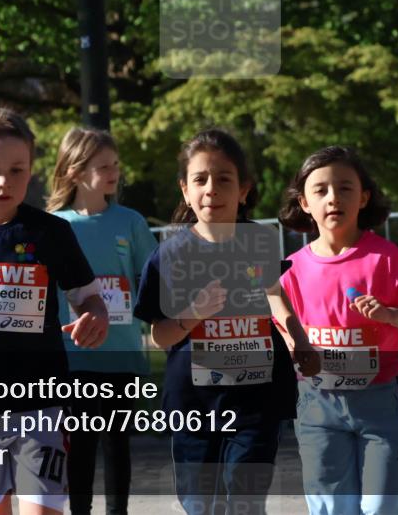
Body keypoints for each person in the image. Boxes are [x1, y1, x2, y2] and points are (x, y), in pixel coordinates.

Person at [0, 107, 109, 515]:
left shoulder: (52, 232)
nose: (3, 182)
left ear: (30, 170)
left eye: (16, 170)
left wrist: (95, 317)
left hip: (40, 406)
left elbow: (90, 299)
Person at [133, 128, 319, 515]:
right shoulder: (170, 255)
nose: (211, 189)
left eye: (223, 179)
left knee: (245, 496)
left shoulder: (259, 241)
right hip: (193, 403)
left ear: (243, 190)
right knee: (201, 503)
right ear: (185, 190)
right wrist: (194, 313)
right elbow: (160, 335)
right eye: (200, 179)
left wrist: (299, 338)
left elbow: (273, 294)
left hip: (256, 396)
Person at [278, 146, 398, 515]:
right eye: (321, 190)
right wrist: (294, 346)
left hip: (378, 401)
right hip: (317, 404)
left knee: (380, 506)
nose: (333, 198)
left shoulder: (385, 259)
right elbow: (282, 326)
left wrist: (389, 315)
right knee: (332, 507)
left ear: (363, 197)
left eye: (345, 188)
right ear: (304, 203)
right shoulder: (292, 269)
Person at [46, 127, 157, 515]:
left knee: (117, 444)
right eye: (103, 167)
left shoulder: (130, 222)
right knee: (79, 445)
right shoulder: (54, 225)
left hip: (121, 355)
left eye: (116, 165)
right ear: (75, 171)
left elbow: (151, 278)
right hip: (72, 357)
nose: (114, 173)